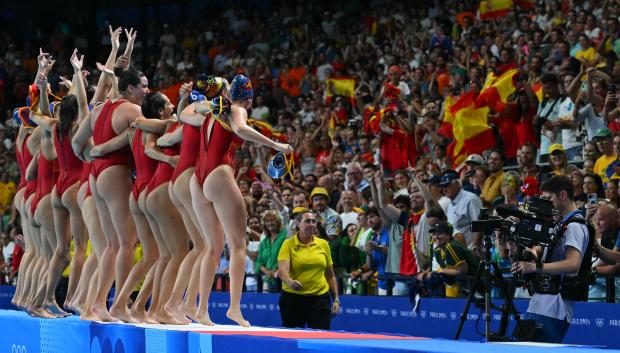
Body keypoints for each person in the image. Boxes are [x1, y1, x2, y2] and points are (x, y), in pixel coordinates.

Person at [183, 74, 292, 326]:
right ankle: (234, 308)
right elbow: (242, 129)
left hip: (197, 179)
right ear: (249, 100)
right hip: (218, 173)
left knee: (212, 247)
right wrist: (276, 145)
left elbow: (185, 114)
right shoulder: (236, 110)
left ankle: (199, 309)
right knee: (238, 244)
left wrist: (207, 103)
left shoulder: (211, 111)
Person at [512, 175, 592, 343]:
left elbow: (573, 264)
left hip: (556, 305)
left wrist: (535, 267)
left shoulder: (575, 226)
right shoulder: (560, 223)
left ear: (563, 195)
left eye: (549, 198)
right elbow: (551, 247)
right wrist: (533, 252)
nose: (546, 203)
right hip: (541, 300)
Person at [277, 210, 339, 329]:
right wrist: (290, 282)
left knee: (321, 339)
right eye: (307, 221)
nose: (311, 224)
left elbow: (330, 275)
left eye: (313, 221)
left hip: (319, 299)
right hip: (293, 299)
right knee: (292, 340)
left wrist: (336, 299)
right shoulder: (288, 244)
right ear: (298, 224)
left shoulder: (323, 244)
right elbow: (282, 271)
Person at [438, 169, 482, 251]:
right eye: (442, 187)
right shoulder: (450, 204)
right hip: (459, 253)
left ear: (456, 183)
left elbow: (479, 226)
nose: (444, 190)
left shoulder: (470, 199)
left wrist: (474, 250)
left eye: (447, 185)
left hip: (471, 251)